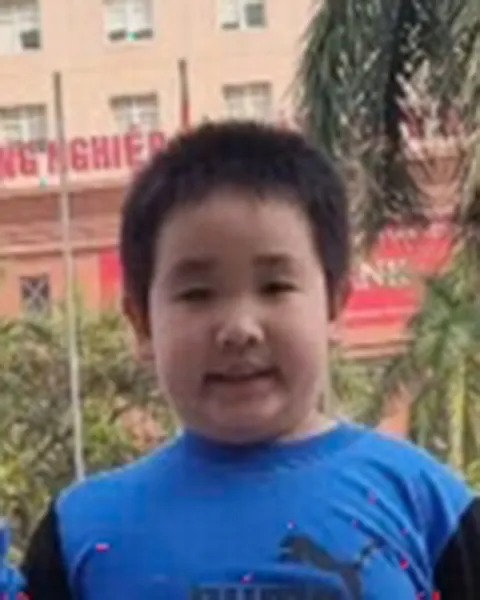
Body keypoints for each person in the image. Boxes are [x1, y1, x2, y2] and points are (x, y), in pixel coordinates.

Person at [21, 121, 479, 600]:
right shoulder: (80, 533)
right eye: (197, 294)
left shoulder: (428, 507)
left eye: (275, 286)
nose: (240, 329)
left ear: (333, 304)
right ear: (142, 323)